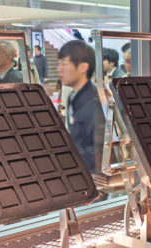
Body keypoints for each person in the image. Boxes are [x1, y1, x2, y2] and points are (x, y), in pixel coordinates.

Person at [57, 40, 104, 173]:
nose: (59, 69)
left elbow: (95, 150)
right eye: (59, 64)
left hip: (90, 175)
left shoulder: (93, 101)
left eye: (64, 64)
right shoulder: (76, 96)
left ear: (83, 67)